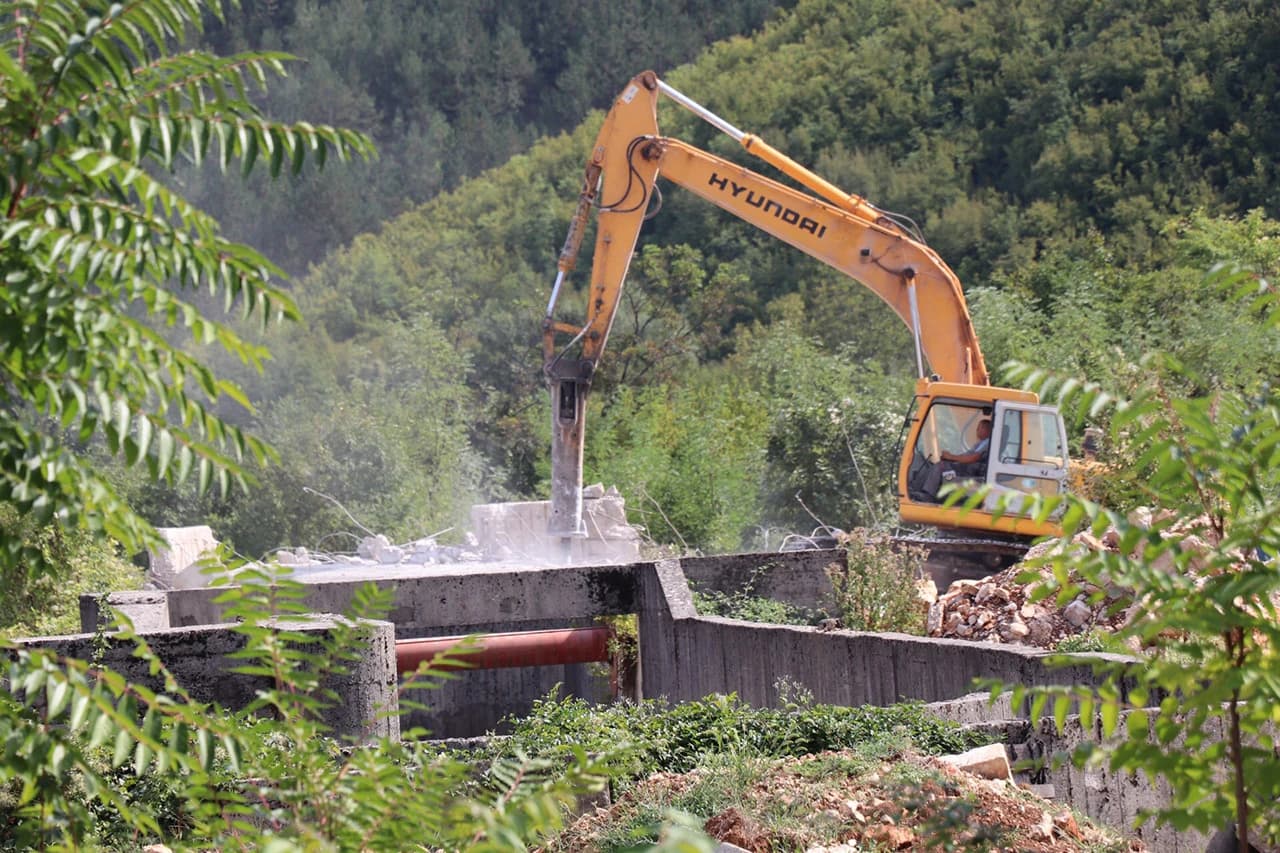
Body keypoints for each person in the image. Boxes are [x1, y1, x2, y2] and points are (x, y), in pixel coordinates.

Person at [920, 418, 991, 500]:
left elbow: (973, 458)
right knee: (940, 466)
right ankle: (936, 492)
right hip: (967, 468)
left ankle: (928, 496)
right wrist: (950, 458)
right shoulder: (980, 443)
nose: (977, 430)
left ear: (986, 429)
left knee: (940, 467)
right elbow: (966, 455)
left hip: (972, 471)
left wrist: (951, 457)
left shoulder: (987, 442)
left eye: (979, 428)